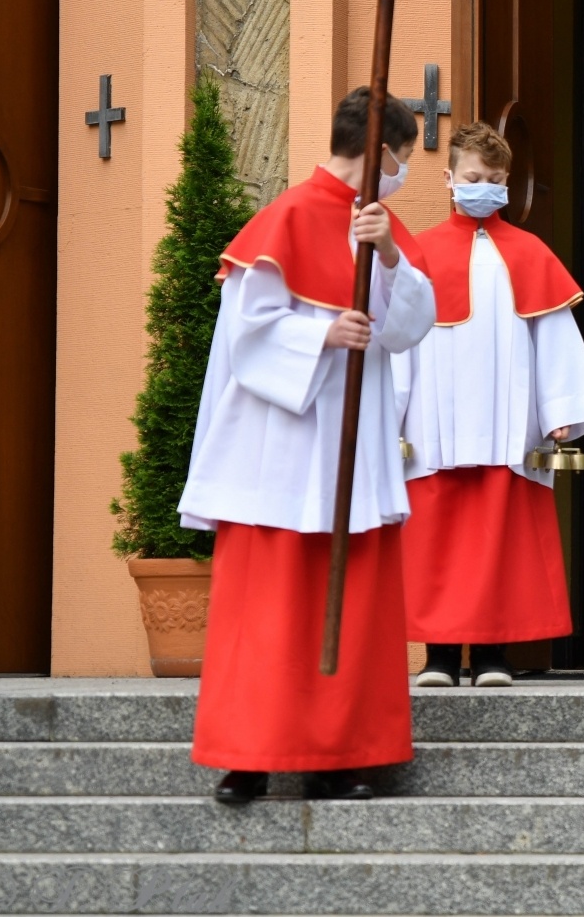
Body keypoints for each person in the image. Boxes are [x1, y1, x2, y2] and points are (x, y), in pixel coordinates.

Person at [179, 87, 436, 804]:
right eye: (405, 157)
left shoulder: (382, 229)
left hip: (352, 454)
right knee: (265, 613)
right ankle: (248, 758)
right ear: (381, 149)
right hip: (283, 450)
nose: (403, 172)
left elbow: (413, 322)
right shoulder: (286, 215)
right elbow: (247, 333)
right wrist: (321, 332)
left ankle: (342, 754)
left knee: (351, 606)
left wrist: (386, 253)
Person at [396, 122, 584, 687]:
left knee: (497, 541)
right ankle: (439, 658)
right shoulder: (418, 255)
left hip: (507, 425)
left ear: (507, 183)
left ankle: (492, 657)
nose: (482, 187)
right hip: (434, 425)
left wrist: (561, 409)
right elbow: (399, 343)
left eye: (492, 179)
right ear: (449, 178)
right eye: (472, 178)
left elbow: (553, 340)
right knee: (437, 538)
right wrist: (389, 417)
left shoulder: (530, 253)